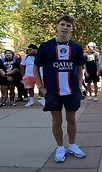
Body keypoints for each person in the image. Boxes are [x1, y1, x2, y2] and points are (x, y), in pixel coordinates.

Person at [33, 15, 87, 163]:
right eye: (62, 24)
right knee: (56, 120)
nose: (65, 28)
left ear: (72, 29)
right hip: (52, 91)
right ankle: (60, 147)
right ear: (56, 26)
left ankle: (72, 145)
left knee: (71, 119)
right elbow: (36, 67)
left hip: (71, 91)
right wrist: (41, 88)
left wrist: (79, 86)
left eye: (68, 26)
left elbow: (79, 68)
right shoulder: (46, 46)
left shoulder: (76, 47)